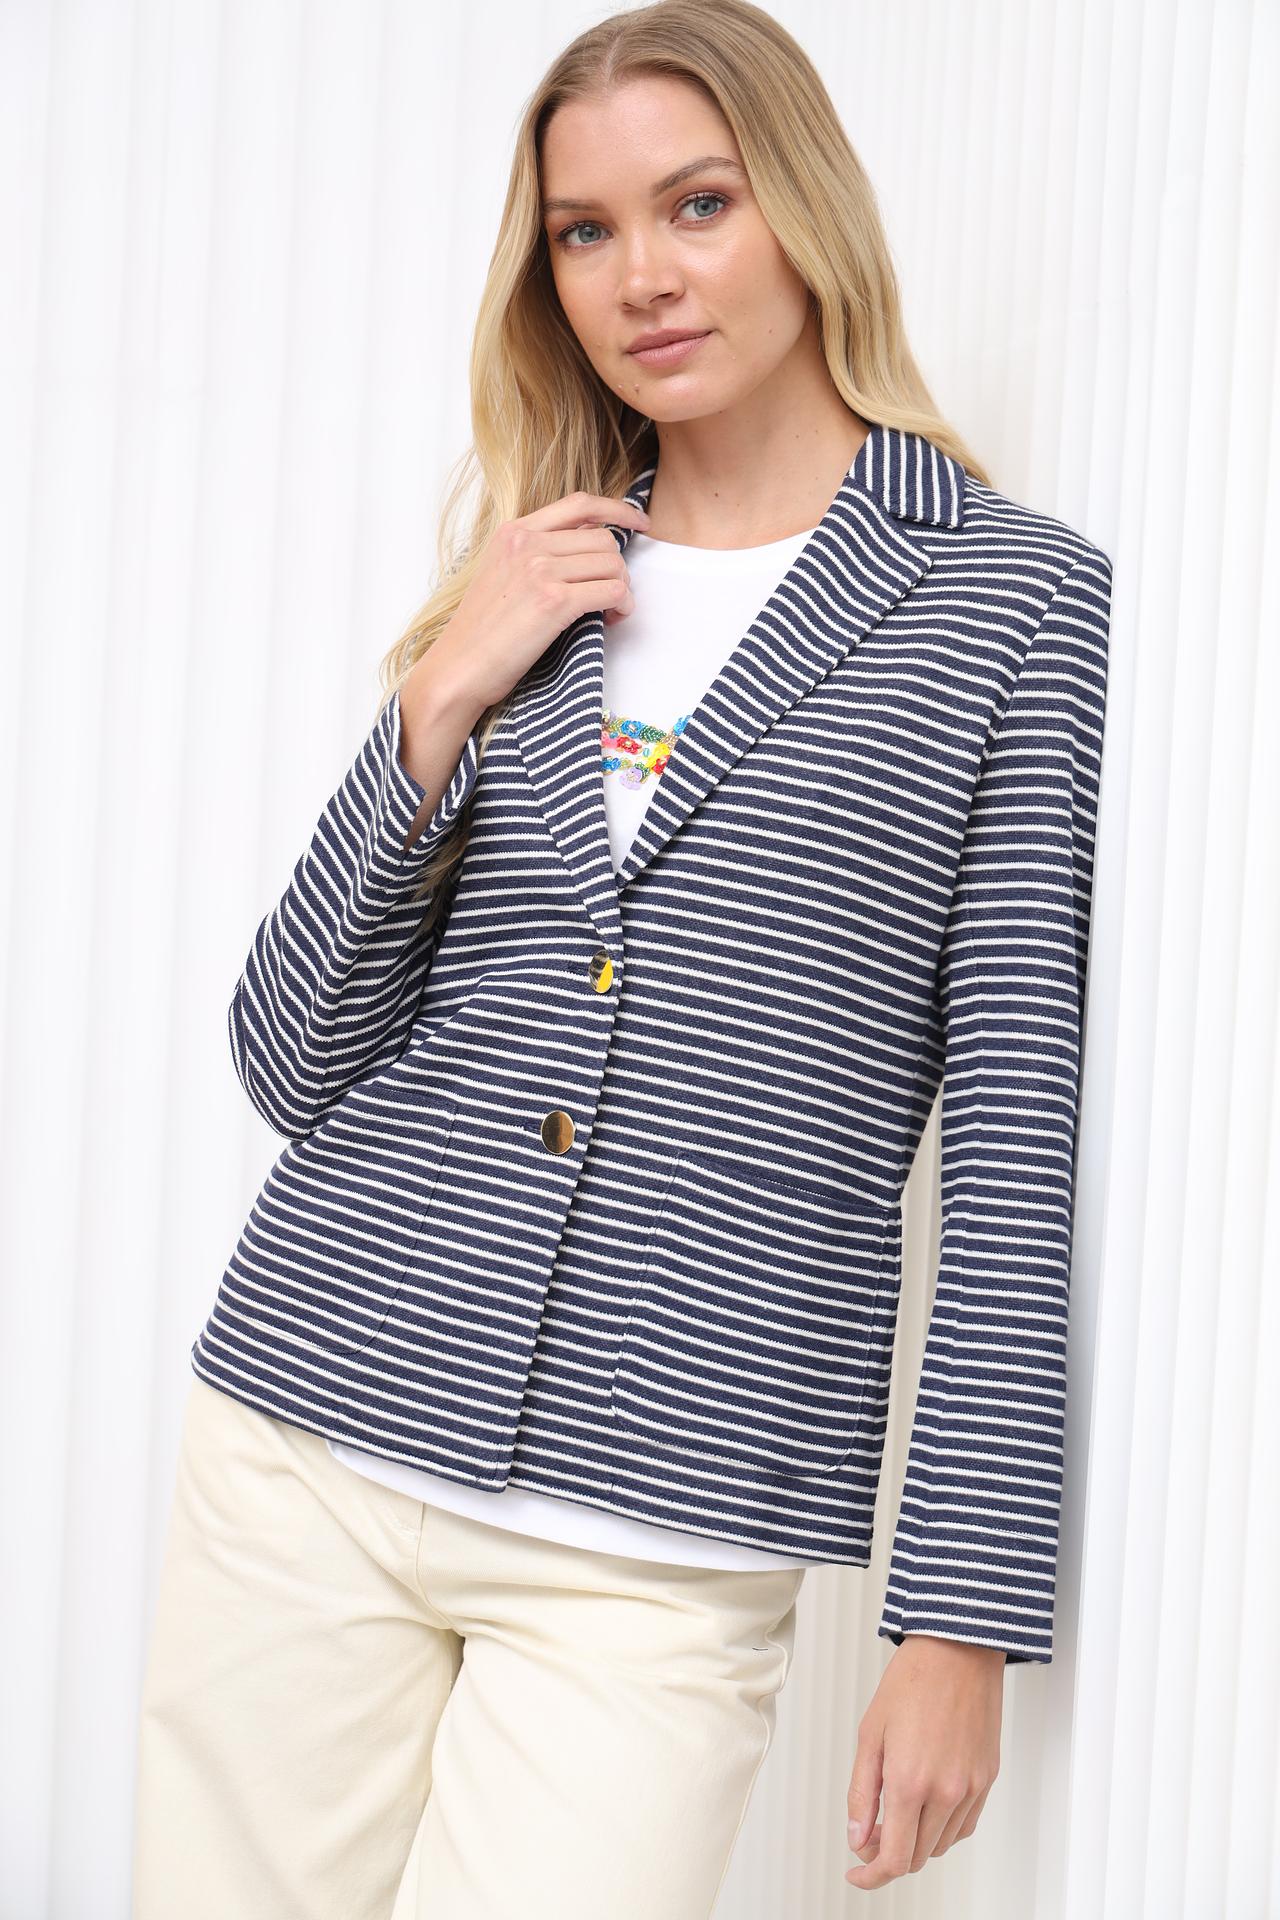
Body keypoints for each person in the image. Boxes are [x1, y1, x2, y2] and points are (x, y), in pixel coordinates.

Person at [131, 1, 1112, 1914]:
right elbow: (293, 1061)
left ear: (806, 210)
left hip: (664, 1529)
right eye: (585, 231)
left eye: (697, 204)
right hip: (310, 1434)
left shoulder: (1009, 598)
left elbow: (1013, 1124)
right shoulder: (537, 574)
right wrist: (437, 702)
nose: (641, 276)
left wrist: (962, 1620)